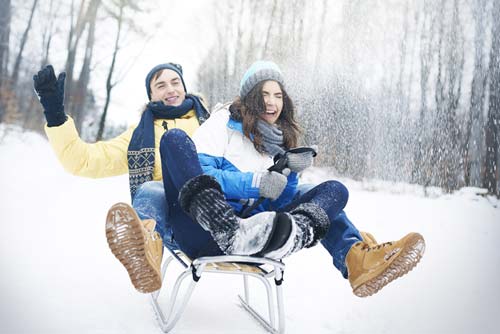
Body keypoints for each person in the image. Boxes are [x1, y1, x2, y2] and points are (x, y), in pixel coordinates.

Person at [112, 60, 426, 298]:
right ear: (248, 97)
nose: (271, 101)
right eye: (263, 94)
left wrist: (288, 172)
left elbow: (276, 200)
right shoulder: (222, 121)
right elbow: (200, 172)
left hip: (256, 234)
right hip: (205, 229)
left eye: (277, 94)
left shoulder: (282, 138)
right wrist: (255, 182)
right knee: (173, 147)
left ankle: (355, 259)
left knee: (333, 190)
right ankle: (149, 244)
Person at [32, 62, 216, 293]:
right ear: (151, 95)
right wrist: (55, 116)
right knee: (153, 188)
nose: (170, 89)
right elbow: (84, 160)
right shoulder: (139, 136)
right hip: (174, 221)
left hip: (215, 212)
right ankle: (145, 249)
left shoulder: (212, 123)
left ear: (184, 86)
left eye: (175, 82)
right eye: (161, 85)